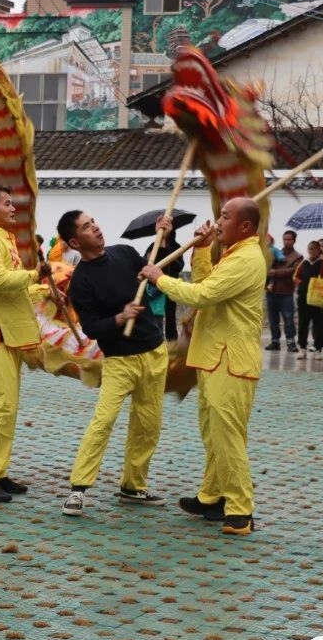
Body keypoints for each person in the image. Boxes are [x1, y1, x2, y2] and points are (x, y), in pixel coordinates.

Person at [139, 197, 267, 536]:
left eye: (225, 217)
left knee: (228, 437)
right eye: (219, 215)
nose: (218, 221)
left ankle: (240, 509)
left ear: (245, 227)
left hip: (232, 362)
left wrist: (158, 278)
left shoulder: (248, 259)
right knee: (214, 434)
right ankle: (211, 496)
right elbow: (207, 282)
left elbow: (202, 295)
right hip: (214, 358)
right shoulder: (233, 254)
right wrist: (201, 250)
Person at [57, 210, 168, 517]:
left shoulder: (125, 252)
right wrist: (120, 317)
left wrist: (164, 236)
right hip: (120, 360)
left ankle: (133, 486)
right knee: (103, 421)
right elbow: (91, 327)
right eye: (87, 227)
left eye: (94, 222)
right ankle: (78, 488)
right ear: (75, 241)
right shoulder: (81, 282)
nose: (96, 227)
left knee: (148, 424)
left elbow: (152, 272)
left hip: (155, 352)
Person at [0, 186, 50, 503]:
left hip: (7, 335)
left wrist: (42, 290)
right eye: (6, 203)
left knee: (7, 408)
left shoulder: (4, 240)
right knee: (1, 408)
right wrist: (33, 275)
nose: (13, 208)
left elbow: (11, 290)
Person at [265, 230, 301, 352]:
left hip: (286, 292)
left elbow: (294, 271)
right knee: (273, 318)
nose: (286, 241)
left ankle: (291, 342)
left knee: (288, 318)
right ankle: (275, 341)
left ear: (294, 240)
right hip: (272, 291)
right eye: (285, 239)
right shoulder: (275, 252)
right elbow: (267, 266)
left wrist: (276, 272)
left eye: (289, 239)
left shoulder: (298, 257)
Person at [145, 232, 185, 341]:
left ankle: (172, 341)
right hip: (156, 285)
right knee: (156, 316)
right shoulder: (154, 245)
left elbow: (180, 265)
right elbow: (146, 261)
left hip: (171, 284)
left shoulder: (176, 247)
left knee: (170, 315)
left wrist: (169, 259)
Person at [293, 240, 323, 359]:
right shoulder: (304, 263)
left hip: (318, 299)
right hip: (303, 299)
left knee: (319, 324)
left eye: (314, 248)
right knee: (303, 323)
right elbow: (296, 277)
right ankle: (302, 348)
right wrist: (299, 282)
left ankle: (318, 349)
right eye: (310, 249)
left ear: (319, 250)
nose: (311, 251)